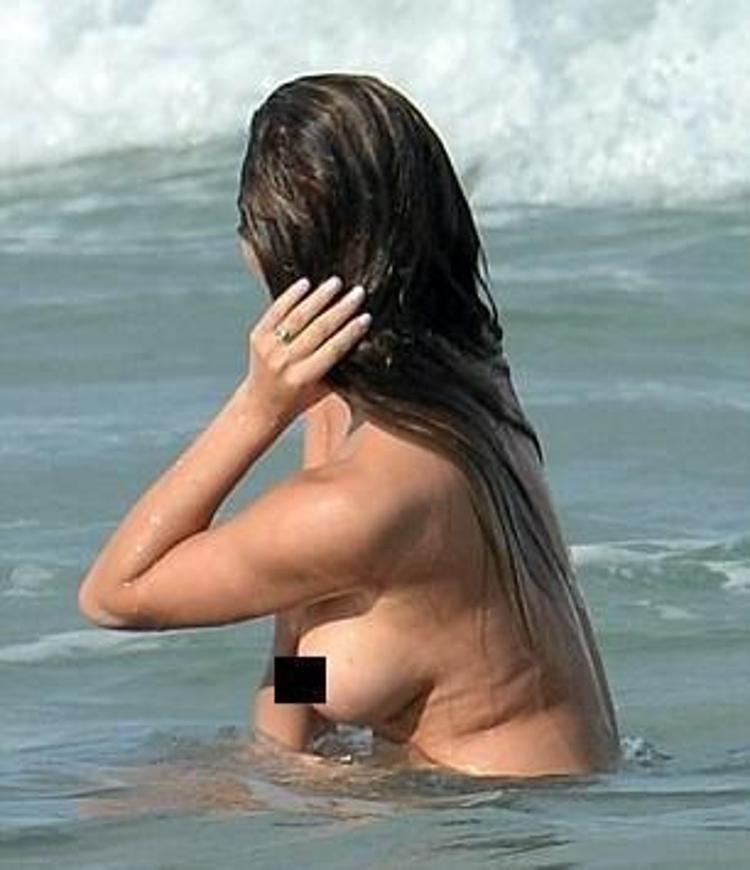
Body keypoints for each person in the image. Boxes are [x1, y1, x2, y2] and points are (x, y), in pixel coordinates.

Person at [78, 72, 621, 778]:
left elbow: (115, 595)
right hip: (512, 805)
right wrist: (282, 766)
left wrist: (257, 408)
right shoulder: (467, 392)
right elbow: (303, 615)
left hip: (494, 819)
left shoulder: (362, 499)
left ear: (281, 253)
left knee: (102, 796)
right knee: (158, 790)